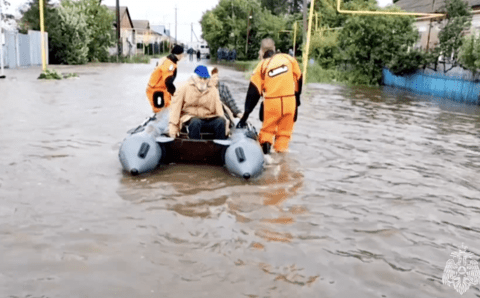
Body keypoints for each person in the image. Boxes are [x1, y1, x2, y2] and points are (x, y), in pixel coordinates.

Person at [237, 38, 302, 154]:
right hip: (289, 102)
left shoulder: (261, 66)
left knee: (267, 132)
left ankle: (267, 160)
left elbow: (253, 93)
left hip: (272, 103)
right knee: (284, 135)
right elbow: (299, 78)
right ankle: (282, 162)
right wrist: (297, 100)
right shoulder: (289, 59)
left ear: (262, 52)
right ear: (275, 49)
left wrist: (244, 117)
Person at [169, 65, 227, 140]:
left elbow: (219, 110)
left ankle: (220, 147)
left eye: (205, 78)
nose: (202, 81)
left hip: (208, 118)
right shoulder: (184, 88)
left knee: (220, 122)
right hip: (190, 118)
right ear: (194, 78)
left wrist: (226, 124)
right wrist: (173, 129)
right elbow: (175, 109)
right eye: (200, 78)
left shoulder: (213, 90)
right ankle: (195, 147)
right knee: (195, 122)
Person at [146, 44, 184, 113]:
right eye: (182, 55)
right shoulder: (170, 64)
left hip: (160, 89)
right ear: (179, 55)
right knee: (160, 113)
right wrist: (176, 95)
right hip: (157, 90)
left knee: (167, 108)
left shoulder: (166, 59)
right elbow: (168, 81)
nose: (182, 56)